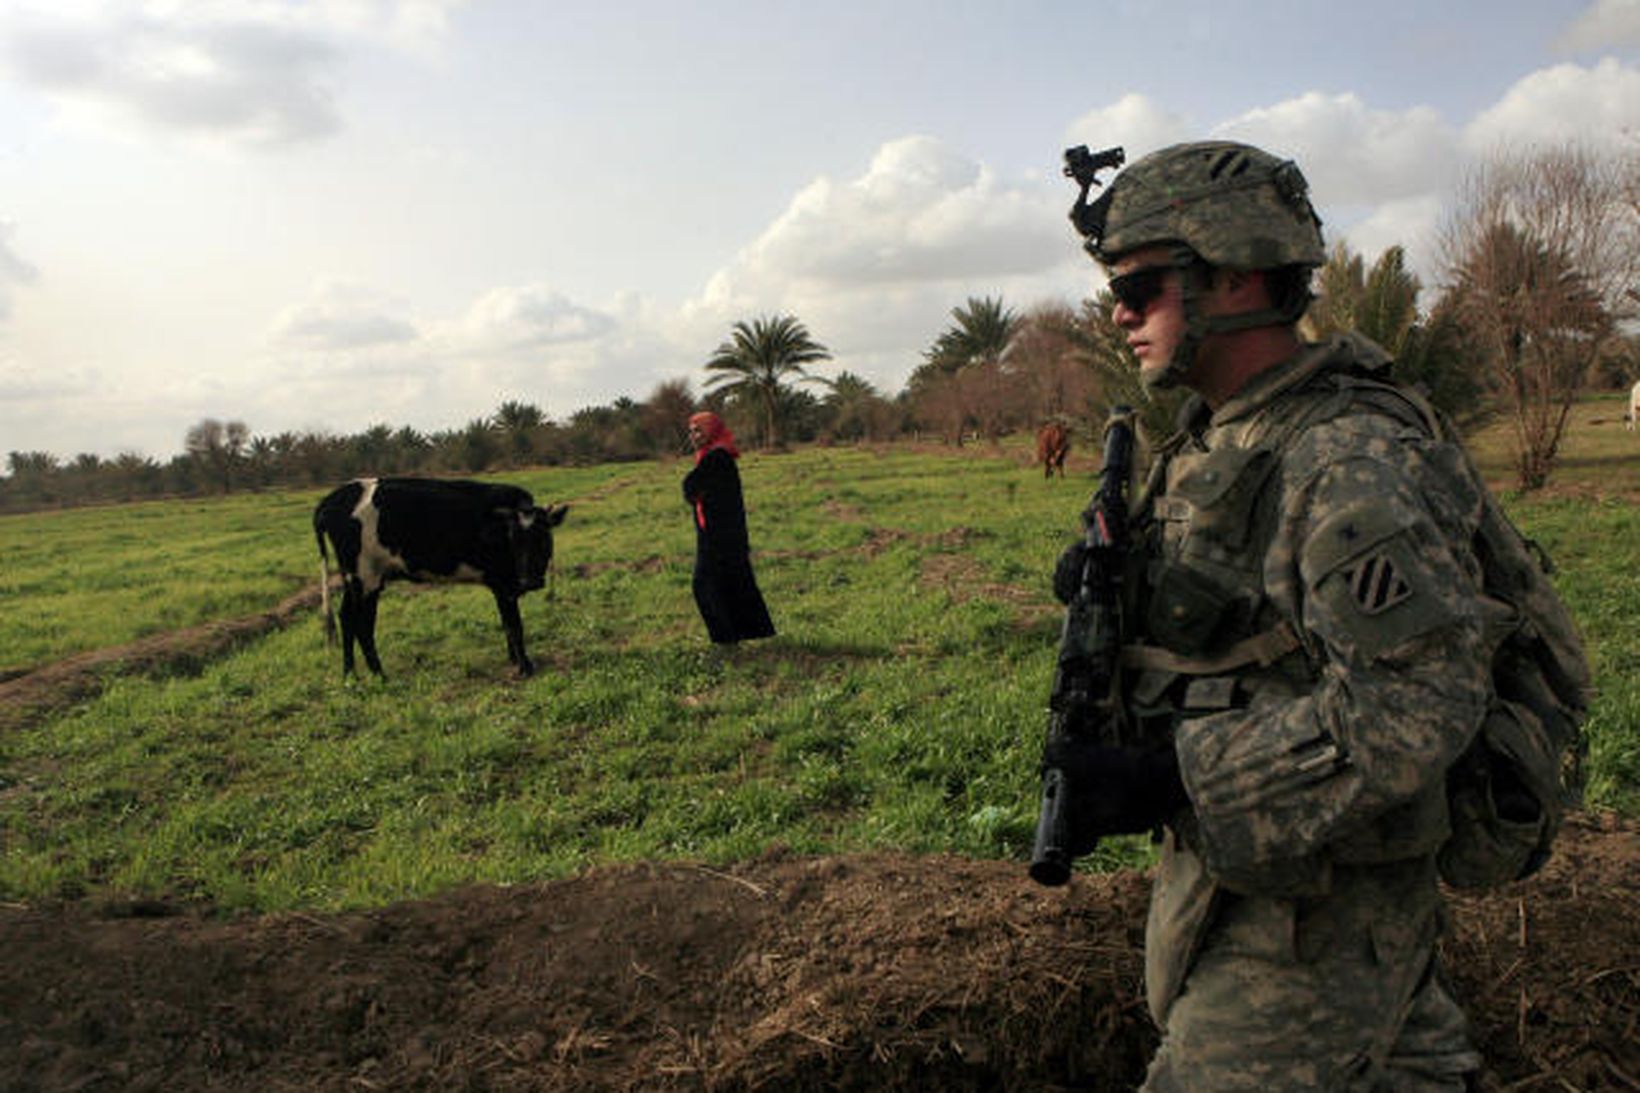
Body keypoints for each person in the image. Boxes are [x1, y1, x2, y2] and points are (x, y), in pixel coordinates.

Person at [1046, 140, 1531, 1090]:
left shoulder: (1344, 458)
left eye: (1141, 287)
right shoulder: (1230, 430)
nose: (1119, 313)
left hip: (1316, 910)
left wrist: (1172, 778)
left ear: (1228, 279)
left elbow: (1417, 705)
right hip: (1282, 882)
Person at [682, 411, 775, 644]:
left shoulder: (718, 457)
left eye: (699, 430)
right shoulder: (716, 455)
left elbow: (690, 487)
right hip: (724, 534)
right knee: (731, 582)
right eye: (691, 431)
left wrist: (693, 490)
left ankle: (725, 640)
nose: (693, 436)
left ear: (711, 431)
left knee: (704, 585)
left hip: (718, 536)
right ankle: (741, 635)